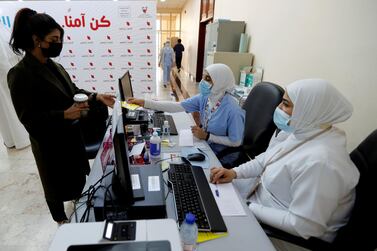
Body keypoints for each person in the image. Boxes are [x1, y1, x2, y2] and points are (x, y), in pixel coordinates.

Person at [210, 79, 360, 251]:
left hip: (282, 237)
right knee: (207, 198)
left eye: (285, 104)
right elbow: (266, 159)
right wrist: (234, 173)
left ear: (309, 109)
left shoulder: (322, 163)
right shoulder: (303, 130)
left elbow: (303, 226)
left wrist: (248, 206)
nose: (278, 108)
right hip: (259, 201)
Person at [7, 8, 115, 224]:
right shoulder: (20, 74)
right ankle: (62, 224)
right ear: (37, 40)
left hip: (71, 139)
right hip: (50, 147)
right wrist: (63, 115)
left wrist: (95, 97)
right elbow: (28, 119)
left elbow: (74, 92)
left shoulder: (55, 66)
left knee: (78, 186)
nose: (59, 43)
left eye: (60, 38)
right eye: (53, 39)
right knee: (57, 191)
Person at [128, 63, 245, 165]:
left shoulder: (233, 110)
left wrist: (207, 136)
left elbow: (236, 142)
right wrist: (145, 103)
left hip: (222, 157)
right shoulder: (205, 98)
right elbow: (178, 106)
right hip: (206, 145)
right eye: (204, 77)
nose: (203, 81)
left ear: (221, 82)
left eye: (208, 79)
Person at [0, 25, 30, 149]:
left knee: (9, 109)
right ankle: (18, 139)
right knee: (9, 108)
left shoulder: (3, 28)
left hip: (10, 73)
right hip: (6, 76)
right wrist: (11, 77)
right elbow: (2, 60)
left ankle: (15, 139)